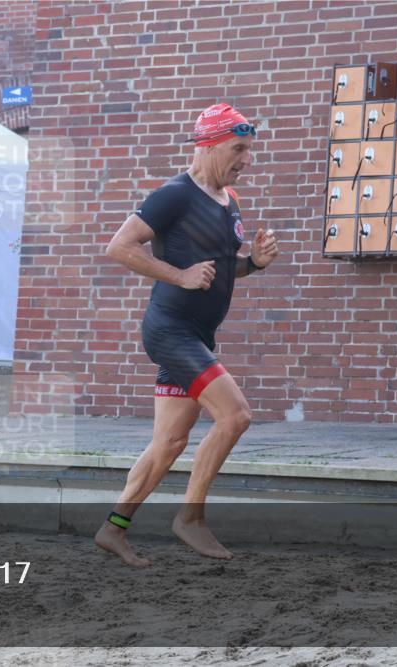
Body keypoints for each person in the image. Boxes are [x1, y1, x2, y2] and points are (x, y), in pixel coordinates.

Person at [94, 103, 279, 565]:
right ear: (209, 146)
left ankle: (113, 528)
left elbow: (220, 272)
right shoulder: (174, 194)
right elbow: (119, 246)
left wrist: (253, 263)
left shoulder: (229, 200)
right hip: (171, 331)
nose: (246, 159)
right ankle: (190, 518)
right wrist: (178, 276)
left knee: (170, 442)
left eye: (249, 150)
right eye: (238, 149)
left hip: (197, 335)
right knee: (235, 416)